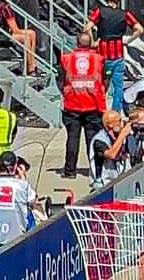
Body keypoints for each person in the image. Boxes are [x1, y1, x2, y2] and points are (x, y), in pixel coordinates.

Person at [58, 27, 107, 178]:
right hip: (93, 104)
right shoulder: (98, 59)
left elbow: (60, 79)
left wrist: (66, 92)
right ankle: (96, 171)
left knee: (73, 138)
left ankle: (70, 171)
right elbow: (105, 80)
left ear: (76, 43)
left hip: (72, 104)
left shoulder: (66, 59)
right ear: (90, 43)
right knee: (93, 139)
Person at [90, 0, 131, 113]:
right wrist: (127, 40)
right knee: (118, 87)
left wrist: (93, 42)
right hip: (118, 55)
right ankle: (115, 114)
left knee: (102, 84)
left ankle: (100, 109)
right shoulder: (125, 14)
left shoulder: (100, 11)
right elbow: (139, 29)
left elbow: (87, 27)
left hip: (103, 56)